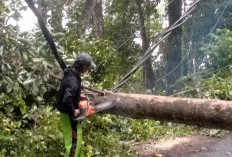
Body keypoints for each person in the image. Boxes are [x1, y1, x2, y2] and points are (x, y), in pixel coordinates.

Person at [56, 53, 96, 157]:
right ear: (83, 67)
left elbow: (68, 91)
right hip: (68, 113)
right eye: (87, 68)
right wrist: (74, 110)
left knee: (77, 138)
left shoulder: (70, 73)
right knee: (72, 143)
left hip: (67, 112)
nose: (87, 70)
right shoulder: (73, 80)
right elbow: (66, 98)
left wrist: (78, 95)